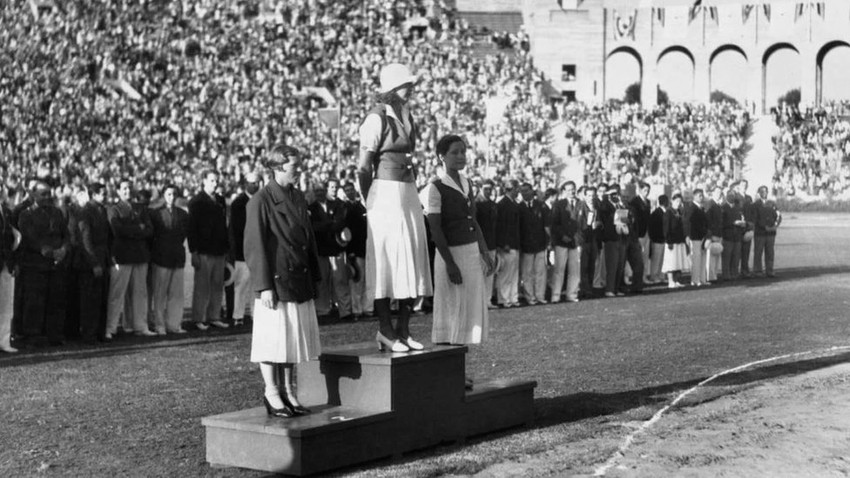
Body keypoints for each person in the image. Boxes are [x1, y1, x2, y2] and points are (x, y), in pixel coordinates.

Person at [357, 63, 432, 353]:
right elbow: (364, 167)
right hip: (385, 193)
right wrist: (369, 198)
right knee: (387, 260)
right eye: (405, 85)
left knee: (411, 256)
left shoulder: (407, 114)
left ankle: (403, 329)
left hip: (408, 191)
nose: (410, 88)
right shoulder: (375, 119)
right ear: (390, 90)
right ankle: (385, 330)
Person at [244, 145, 321, 418]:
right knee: (271, 339)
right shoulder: (261, 200)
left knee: (291, 339)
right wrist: (264, 285)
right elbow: (254, 247)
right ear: (278, 168)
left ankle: (289, 391)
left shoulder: (298, 196)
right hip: (276, 280)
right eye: (293, 167)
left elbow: (308, 239)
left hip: (297, 278)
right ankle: (272, 393)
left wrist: (315, 275)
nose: (298, 171)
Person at [424, 135, 495, 389]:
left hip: (470, 252)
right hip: (449, 255)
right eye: (455, 152)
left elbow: (473, 221)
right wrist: (450, 263)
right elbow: (436, 230)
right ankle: (448, 372)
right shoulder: (435, 186)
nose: (461, 156)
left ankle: (460, 370)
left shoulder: (467, 182)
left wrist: (485, 251)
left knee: (467, 311)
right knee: (451, 309)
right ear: (442, 156)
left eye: (463, 151)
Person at [17, 180, 70, 346]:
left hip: (56, 264)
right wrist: (46, 250)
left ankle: (54, 334)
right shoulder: (26, 214)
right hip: (35, 264)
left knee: (56, 300)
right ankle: (32, 335)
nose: (47, 197)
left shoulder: (57, 212)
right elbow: (29, 238)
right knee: (34, 302)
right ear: (33, 194)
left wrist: (64, 249)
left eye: (49, 193)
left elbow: (65, 235)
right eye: (43, 194)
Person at [105, 179, 154, 338]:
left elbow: (149, 230)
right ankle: (110, 328)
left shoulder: (140, 208)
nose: (127, 191)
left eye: (129, 188)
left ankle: (140, 326)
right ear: (118, 191)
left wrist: (132, 230)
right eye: (124, 188)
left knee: (140, 293)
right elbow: (117, 231)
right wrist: (137, 229)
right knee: (116, 295)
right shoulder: (114, 209)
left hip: (140, 256)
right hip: (122, 256)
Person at [188, 170, 230, 330]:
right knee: (202, 287)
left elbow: (223, 227)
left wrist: (226, 248)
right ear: (204, 181)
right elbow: (192, 229)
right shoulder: (196, 202)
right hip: (204, 251)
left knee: (217, 285)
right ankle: (198, 318)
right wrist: (194, 252)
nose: (215, 183)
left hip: (219, 250)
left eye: (216, 180)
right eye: (212, 180)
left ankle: (214, 316)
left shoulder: (220, 200)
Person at [308, 179, 352, 321]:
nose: (319, 193)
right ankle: (323, 310)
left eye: (322, 190)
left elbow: (340, 223)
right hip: (321, 250)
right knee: (322, 281)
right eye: (317, 191)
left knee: (340, 280)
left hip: (336, 248)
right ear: (314, 193)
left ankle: (345, 310)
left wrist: (326, 226)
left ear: (325, 190)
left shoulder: (337, 204)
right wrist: (329, 224)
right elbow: (312, 227)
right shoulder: (311, 208)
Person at [150, 184, 190, 335]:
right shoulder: (156, 214)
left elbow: (183, 234)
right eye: (168, 194)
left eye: (174, 194)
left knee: (176, 294)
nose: (171, 197)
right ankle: (160, 325)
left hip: (177, 257)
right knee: (160, 294)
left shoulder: (183, 214)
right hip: (161, 257)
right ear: (163, 196)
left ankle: (174, 324)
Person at [76, 183, 110, 342]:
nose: (105, 196)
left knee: (102, 298)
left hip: (103, 258)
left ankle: (99, 332)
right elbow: (86, 240)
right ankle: (89, 334)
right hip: (91, 262)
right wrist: (94, 263)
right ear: (93, 194)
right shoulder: (86, 212)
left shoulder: (101, 210)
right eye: (102, 193)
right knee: (90, 299)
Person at [229, 172, 261, 326]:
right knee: (241, 284)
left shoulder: (261, 200)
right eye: (252, 183)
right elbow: (237, 229)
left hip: (258, 250)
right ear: (246, 184)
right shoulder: (238, 203)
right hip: (243, 251)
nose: (255, 185)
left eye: (257, 183)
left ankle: (256, 314)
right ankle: (238, 315)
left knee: (257, 285)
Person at [549, 180, 585, 303]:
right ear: (564, 191)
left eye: (573, 189)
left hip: (575, 242)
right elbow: (554, 223)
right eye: (569, 189)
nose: (572, 192)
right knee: (559, 269)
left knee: (574, 270)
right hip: (561, 241)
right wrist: (562, 235)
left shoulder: (581, 204)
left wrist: (578, 238)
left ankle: (572, 294)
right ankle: (556, 295)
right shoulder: (559, 204)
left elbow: (583, 224)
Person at [342, 181, 370, 320]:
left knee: (365, 280)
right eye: (347, 190)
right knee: (356, 280)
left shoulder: (360, 206)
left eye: (351, 189)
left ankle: (365, 308)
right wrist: (350, 251)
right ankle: (357, 310)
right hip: (354, 248)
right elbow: (346, 232)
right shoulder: (345, 207)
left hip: (364, 247)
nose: (350, 192)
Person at [517, 182, 549, 305]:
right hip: (526, 245)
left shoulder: (541, 206)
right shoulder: (519, 207)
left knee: (540, 272)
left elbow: (546, 226)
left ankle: (540, 295)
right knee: (527, 273)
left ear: (532, 191)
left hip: (540, 244)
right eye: (522, 191)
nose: (524, 194)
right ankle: (530, 297)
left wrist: (547, 242)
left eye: (526, 191)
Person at [495, 179, 521, 308]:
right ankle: (504, 298)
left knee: (514, 273)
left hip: (514, 243)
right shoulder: (502, 205)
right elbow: (499, 226)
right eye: (517, 189)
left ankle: (512, 297)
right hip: (507, 244)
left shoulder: (513, 204)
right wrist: (502, 243)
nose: (518, 191)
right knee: (505, 274)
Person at [474, 179, 498, 308]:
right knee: (480, 273)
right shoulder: (476, 204)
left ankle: (487, 300)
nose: (488, 191)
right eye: (486, 189)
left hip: (492, 243)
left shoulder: (493, 204)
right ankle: (480, 301)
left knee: (490, 272)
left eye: (490, 189)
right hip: (480, 245)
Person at [0, 197, 21, 352]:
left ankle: (4, 340)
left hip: (6, 262)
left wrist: (12, 260)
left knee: (6, 304)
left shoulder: (7, 212)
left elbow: (14, 237)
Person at [753, 185, 781, 278]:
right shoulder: (756, 204)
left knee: (770, 252)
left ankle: (769, 270)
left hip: (771, 233)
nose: (764, 193)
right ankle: (757, 271)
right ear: (759, 193)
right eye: (762, 191)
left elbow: (778, 216)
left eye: (766, 191)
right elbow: (755, 219)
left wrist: (775, 226)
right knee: (758, 252)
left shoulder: (772, 204)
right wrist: (764, 227)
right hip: (760, 233)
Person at [662, 193, 688, 289]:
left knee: (678, 262)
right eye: (677, 201)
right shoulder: (668, 213)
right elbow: (666, 228)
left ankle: (677, 280)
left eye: (680, 202)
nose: (678, 203)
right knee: (670, 262)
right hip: (671, 241)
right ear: (672, 201)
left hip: (679, 240)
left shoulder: (679, 212)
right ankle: (670, 281)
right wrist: (668, 241)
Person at [688, 189, 710, 287]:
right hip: (695, 237)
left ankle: (702, 278)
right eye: (699, 195)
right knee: (696, 259)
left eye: (702, 195)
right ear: (694, 196)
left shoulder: (701, 208)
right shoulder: (691, 208)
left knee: (702, 258)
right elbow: (693, 224)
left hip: (702, 236)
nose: (701, 197)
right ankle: (695, 280)